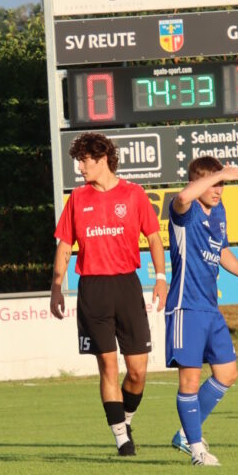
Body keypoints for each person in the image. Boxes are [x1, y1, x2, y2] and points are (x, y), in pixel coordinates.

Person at [50, 132, 168, 456]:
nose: (80, 168)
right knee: (108, 365)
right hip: (93, 289)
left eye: (84, 161)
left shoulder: (134, 194)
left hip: (127, 286)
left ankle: (125, 420)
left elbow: (153, 238)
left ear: (102, 159)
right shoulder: (77, 199)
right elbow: (64, 246)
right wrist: (56, 287)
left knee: (138, 371)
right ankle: (121, 440)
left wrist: (161, 278)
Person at [164, 156, 238, 467]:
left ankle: (185, 434)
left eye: (222, 184)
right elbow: (183, 196)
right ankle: (197, 451)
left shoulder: (218, 212)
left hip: (210, 308)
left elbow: (222, 251)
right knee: (189, 381)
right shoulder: (184, 211)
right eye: (214, 183)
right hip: (186, 308)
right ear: (198, 183)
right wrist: (222, 173)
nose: (219, 189)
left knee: (227, 373)